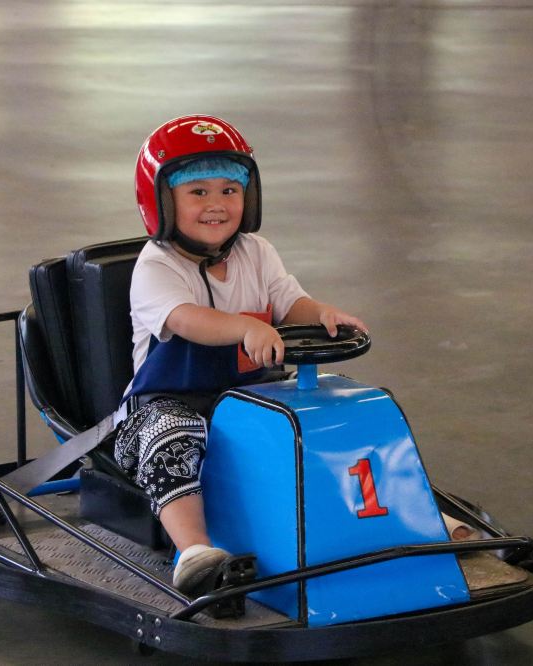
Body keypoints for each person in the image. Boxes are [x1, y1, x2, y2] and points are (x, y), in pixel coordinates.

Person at [113, 115, 367, 595]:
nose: (217, 204)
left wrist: (322, 313)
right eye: (198, 192)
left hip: (251, 400)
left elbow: (290, 302)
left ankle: (393, 516)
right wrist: (246, 327)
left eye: (230, 190)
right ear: (161, 201)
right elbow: (186, 320)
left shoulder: (257, 252)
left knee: (336, 410)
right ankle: (195, 550)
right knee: (172, 432)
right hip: (165, 408)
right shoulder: (156, 266)